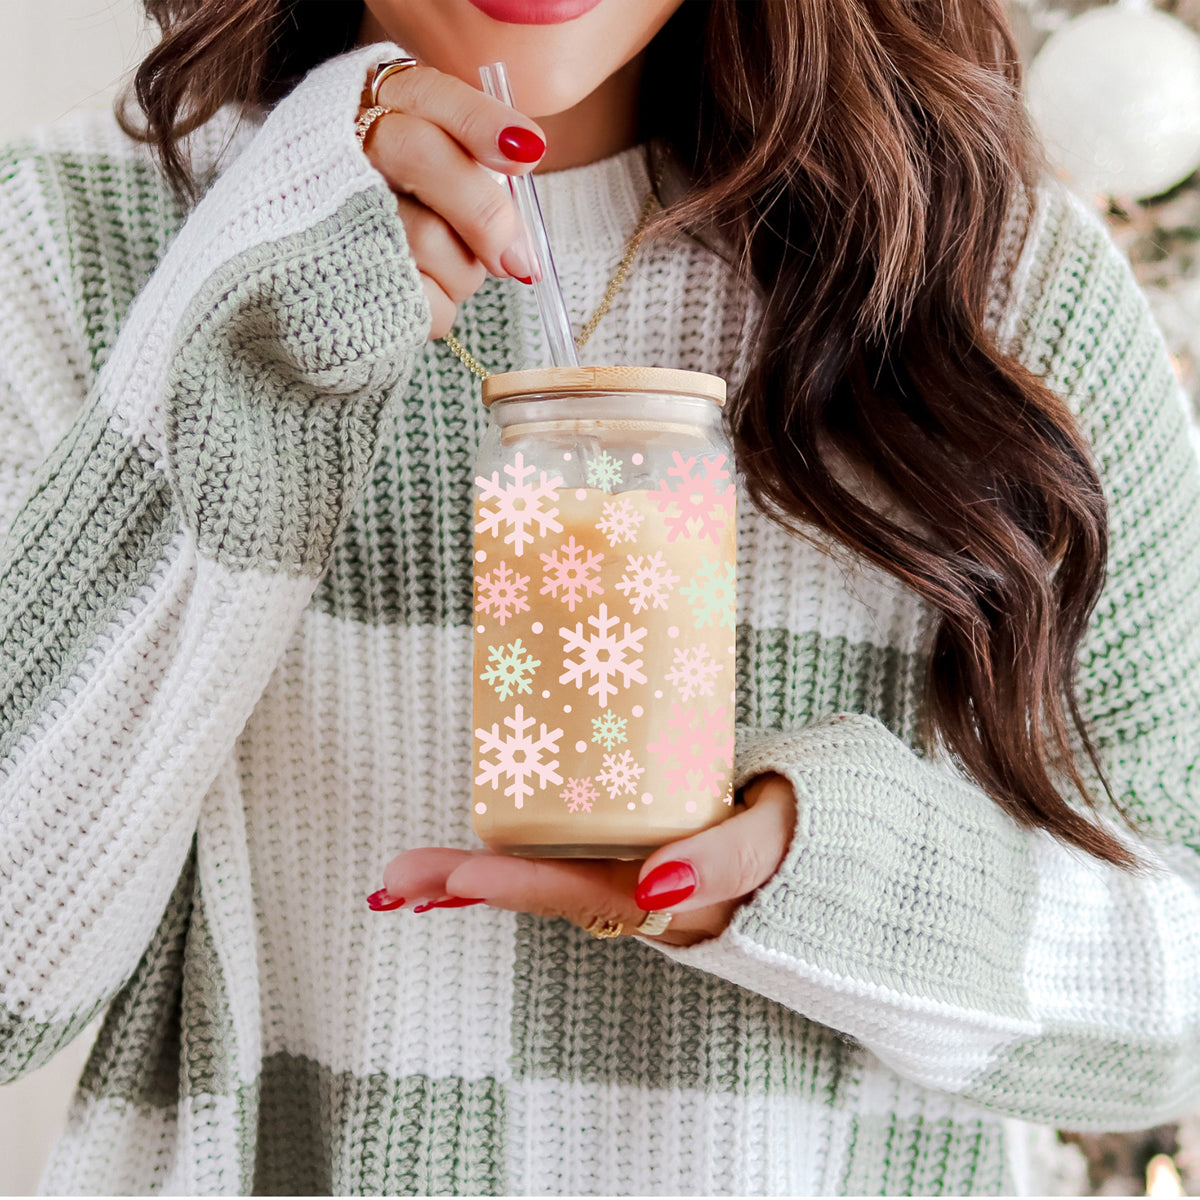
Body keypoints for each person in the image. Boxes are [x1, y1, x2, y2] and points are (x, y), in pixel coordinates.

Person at [1, 0, 1198, 1193]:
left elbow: (1179, 1014)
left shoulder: (979, 275)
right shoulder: (74, 237)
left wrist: (832, 877)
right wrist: (220, 358)